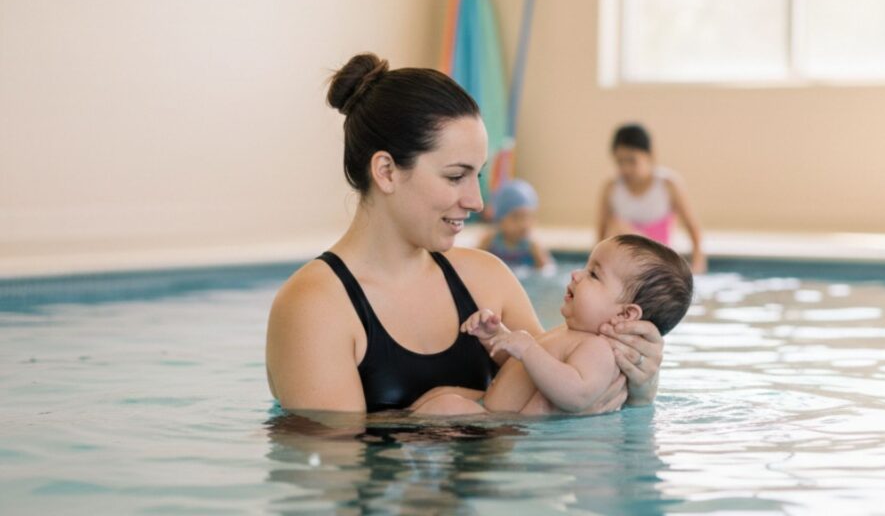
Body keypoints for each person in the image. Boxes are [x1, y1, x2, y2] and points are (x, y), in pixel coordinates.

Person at [265, 53, 666, 414]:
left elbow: (567, 392)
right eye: (456, 175)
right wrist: (439, 415)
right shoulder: (314, 308)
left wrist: (639, 387)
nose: (477, 201)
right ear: (386, 171)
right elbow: (334, 472)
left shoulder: (487, 279)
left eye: (479, 175)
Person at [411, 235, 693, 416]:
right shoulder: (572, 333)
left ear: (626, 314)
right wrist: (498, 338)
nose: (576, 274)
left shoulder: (599, 349)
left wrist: (528, 348)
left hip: (499, 423)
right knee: (439, 396)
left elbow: (577, 394)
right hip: (492, 405)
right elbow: (528, 372)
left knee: (444, 406)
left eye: (593, 274)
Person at [597, 124, 707, 273]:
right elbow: (601, 234)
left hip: (659, 262)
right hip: (625, 265)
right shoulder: (611, 188)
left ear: (650, 156)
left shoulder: (668, 185)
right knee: (616, 227)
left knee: (619, 226)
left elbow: (693, 229)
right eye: (620, 162)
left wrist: (697, 266)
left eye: (632, 161)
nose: (626, 168)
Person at [478, 179, 552, 270]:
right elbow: (473, 262)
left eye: (528, 217)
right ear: (500, 219)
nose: (523, 224)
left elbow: (547, 270)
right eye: (516, 217)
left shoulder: (532, 246)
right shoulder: (491, 240)